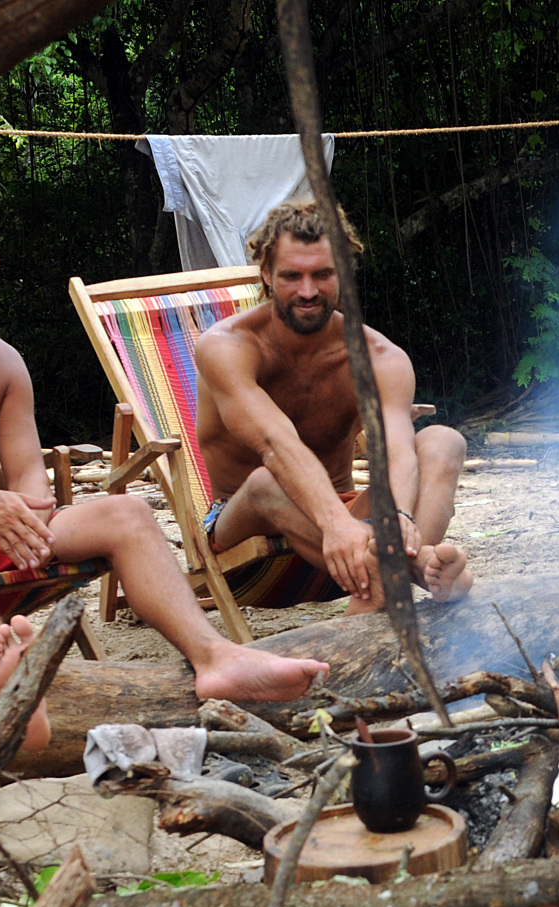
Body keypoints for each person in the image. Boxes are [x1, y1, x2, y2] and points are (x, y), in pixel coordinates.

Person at [0, 170, 329, 751]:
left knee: (128, 515)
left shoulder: (0, 362)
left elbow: (27, 478)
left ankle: (213, 656)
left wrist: (31, 510)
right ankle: (14, 694)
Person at [195, 201, 470, 612]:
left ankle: (392, 571)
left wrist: (398, 517)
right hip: (247, 540)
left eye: (323, 274)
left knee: (443, 442)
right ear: (267, 276)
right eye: (292, 276)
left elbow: (397, 451)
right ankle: (411, 573)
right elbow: (276, 444)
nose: (308, 291)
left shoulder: (379, 357)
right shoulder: (226, 347)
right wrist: (338, 525)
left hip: (351, 529)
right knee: (266, 480)